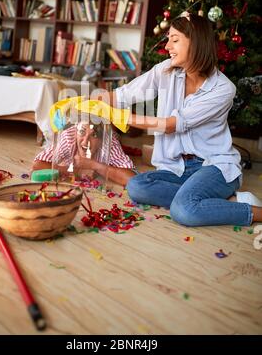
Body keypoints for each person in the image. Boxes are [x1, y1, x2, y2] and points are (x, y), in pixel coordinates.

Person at [109, 12, 262, 227]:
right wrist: (82, 102)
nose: (168, 47)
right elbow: (122, 95)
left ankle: (255, 212)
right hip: (177, 167)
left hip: (214, 166)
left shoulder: (223, 89)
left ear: (196, 42)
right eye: (168, 39)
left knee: (184, 210)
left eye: (175, 39)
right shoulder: (166, 71)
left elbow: (170, 125)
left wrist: (121, 117)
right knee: (137, 186)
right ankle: (218, 201)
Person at [32, 121, 136, 186]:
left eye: (94, 135)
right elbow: (37, 165)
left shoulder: (109, 142)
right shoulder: (69, 136)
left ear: (102, 139)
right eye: (82, 132)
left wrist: (94, 165)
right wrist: (74, 171)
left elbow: (132, 179)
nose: (85, 141)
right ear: (76, 131)